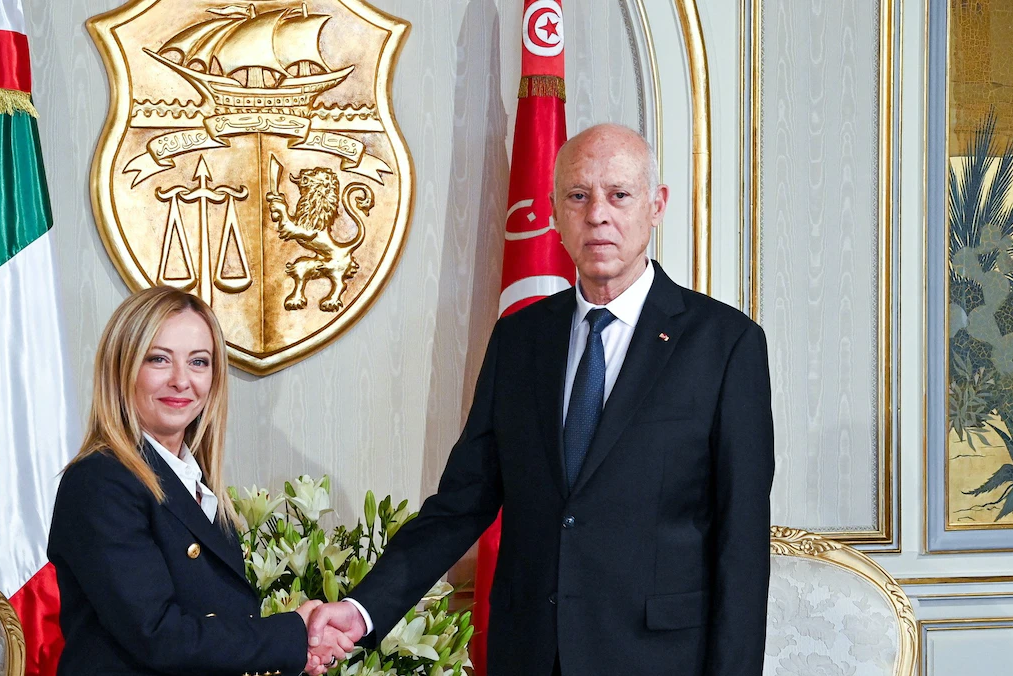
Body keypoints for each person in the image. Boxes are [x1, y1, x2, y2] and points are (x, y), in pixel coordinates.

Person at [305, 124, 775, 675]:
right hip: (529, 654)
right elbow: (462, 502)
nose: (597, 214)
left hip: (659, 658)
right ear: (553, 211)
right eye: (578, 195)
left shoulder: (725, 345)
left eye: (619, 195)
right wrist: (362, 610)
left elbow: (742, 543)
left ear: (656, 206)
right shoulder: (520, 339)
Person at [47, 286, 350, 675]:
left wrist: (294, 647)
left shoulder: (194, 482)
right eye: (158, 359)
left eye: (198, 362)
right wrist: (292, 636)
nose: (181, 380)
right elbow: (158, 636)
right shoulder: (100, 481)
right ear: (122, 369)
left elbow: (217, 621)